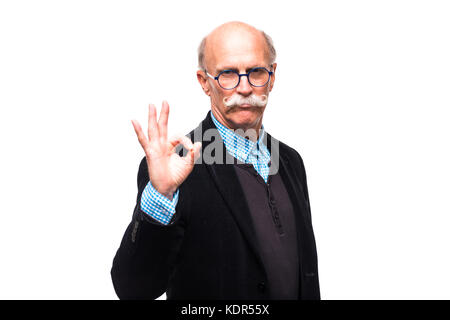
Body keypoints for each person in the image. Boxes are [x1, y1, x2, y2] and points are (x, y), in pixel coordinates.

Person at [111, 21, 320, 300]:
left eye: (256, 71)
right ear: (204, 82)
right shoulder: (176, 166)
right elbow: (133, 289)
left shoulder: (291, 161)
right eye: (228, 74)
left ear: (272, 77)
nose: (244, 87)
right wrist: (160, 196)